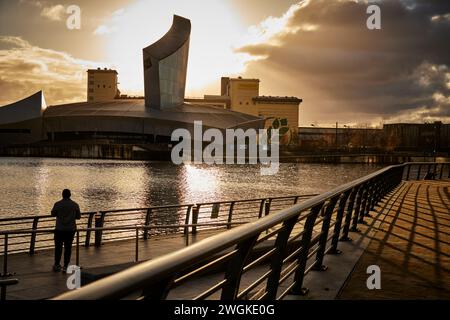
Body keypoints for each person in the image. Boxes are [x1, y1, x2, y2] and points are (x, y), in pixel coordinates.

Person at [51, 189, 81, 273]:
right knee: (68, 248)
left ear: (62, 195)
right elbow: (78, 216)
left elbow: (52, 214)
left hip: (59, 229)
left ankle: (57, 264)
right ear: (70, 195)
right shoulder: (75, 205)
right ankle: (65, 266)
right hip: (70, 229)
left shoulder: (57, 204)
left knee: (58, 247)